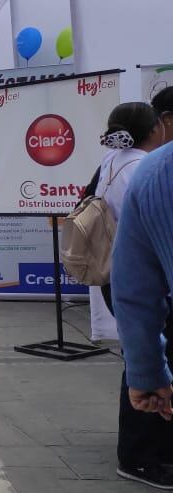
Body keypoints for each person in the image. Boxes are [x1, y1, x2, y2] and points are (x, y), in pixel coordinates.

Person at [95, 101, 173, 489]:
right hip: (140, 277)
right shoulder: (146, 168)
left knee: (141, 362)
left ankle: (143, 453)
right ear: (156, 128)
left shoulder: (114, 162)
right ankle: (143, 455)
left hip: (121, 276)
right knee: (147, 363)